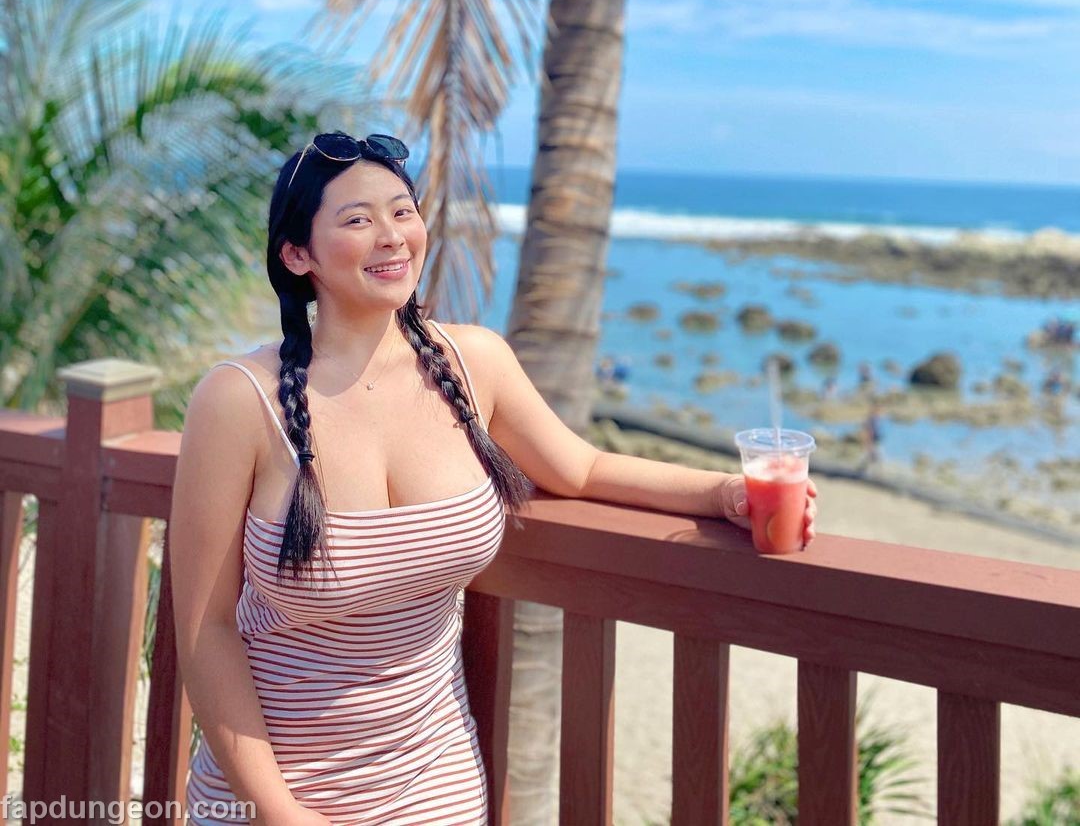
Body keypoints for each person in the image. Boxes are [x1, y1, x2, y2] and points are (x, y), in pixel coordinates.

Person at [170, 130, 819, 825]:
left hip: (436, 787)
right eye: (357, 220)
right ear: (298, 255)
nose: (392, 236)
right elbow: (208, 630)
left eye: (403, 211)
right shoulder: (240, 400)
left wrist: (723, 494)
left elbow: (581, 467)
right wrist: (278, 810)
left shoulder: (472, 362)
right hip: (273, 797)